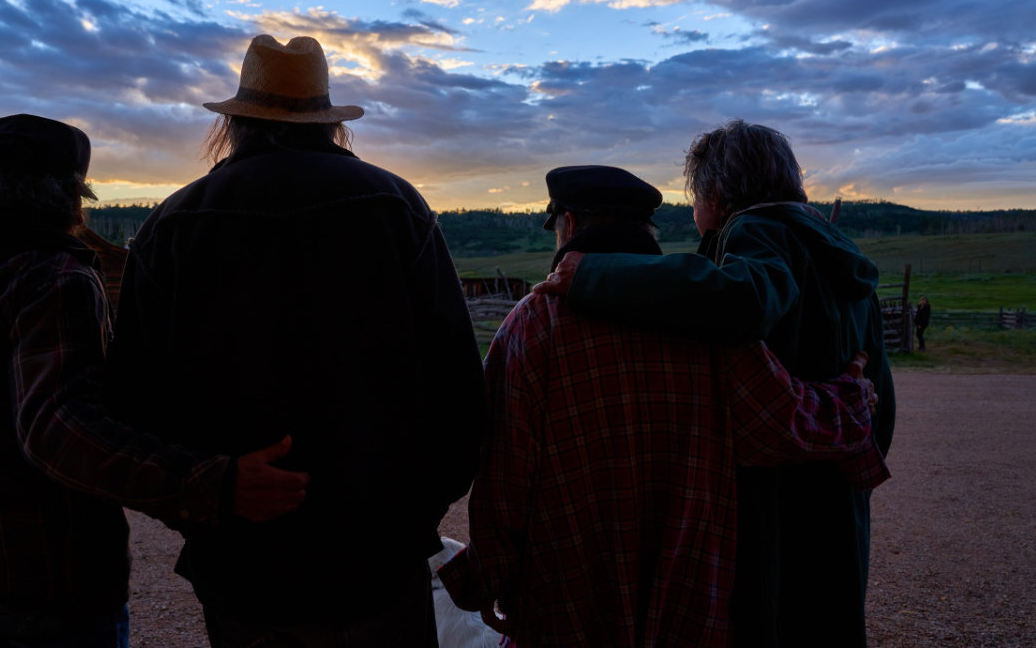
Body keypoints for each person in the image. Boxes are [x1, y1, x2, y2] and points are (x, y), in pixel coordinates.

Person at [0, 114, 308, 647]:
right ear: (72, 196)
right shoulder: (53, 278)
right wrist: (210, 483)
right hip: (52, 594)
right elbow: (58, 428)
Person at [106, 35, 487, 647]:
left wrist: (210, 499)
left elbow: (132, 404)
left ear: (235, 123)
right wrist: (412, 514)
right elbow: (462, 391)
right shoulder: (398, 208)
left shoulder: (175, 224)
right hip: (379, 560)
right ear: (328, 121)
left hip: (247, 569)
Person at [439, 165, 887, 646]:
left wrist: (489, 577)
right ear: (646, 230)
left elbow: (505, 474)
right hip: (688, 593)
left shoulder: (533, 324)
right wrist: (851, 396)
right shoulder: (704, 318)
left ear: (568, 224)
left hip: (567, 594)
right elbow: (781, 420)